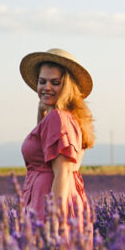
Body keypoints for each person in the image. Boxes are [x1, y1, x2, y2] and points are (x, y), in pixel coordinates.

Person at [19, 47, 95, 226]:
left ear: (66, 86)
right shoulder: (67, 116)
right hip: (61, 203)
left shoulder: (58, 117)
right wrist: (41, 114)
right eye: (42, 81)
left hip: (49, 207)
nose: (47, 87)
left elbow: (63, 172)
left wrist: (54, 222)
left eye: (55, 82)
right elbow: (45, 146)